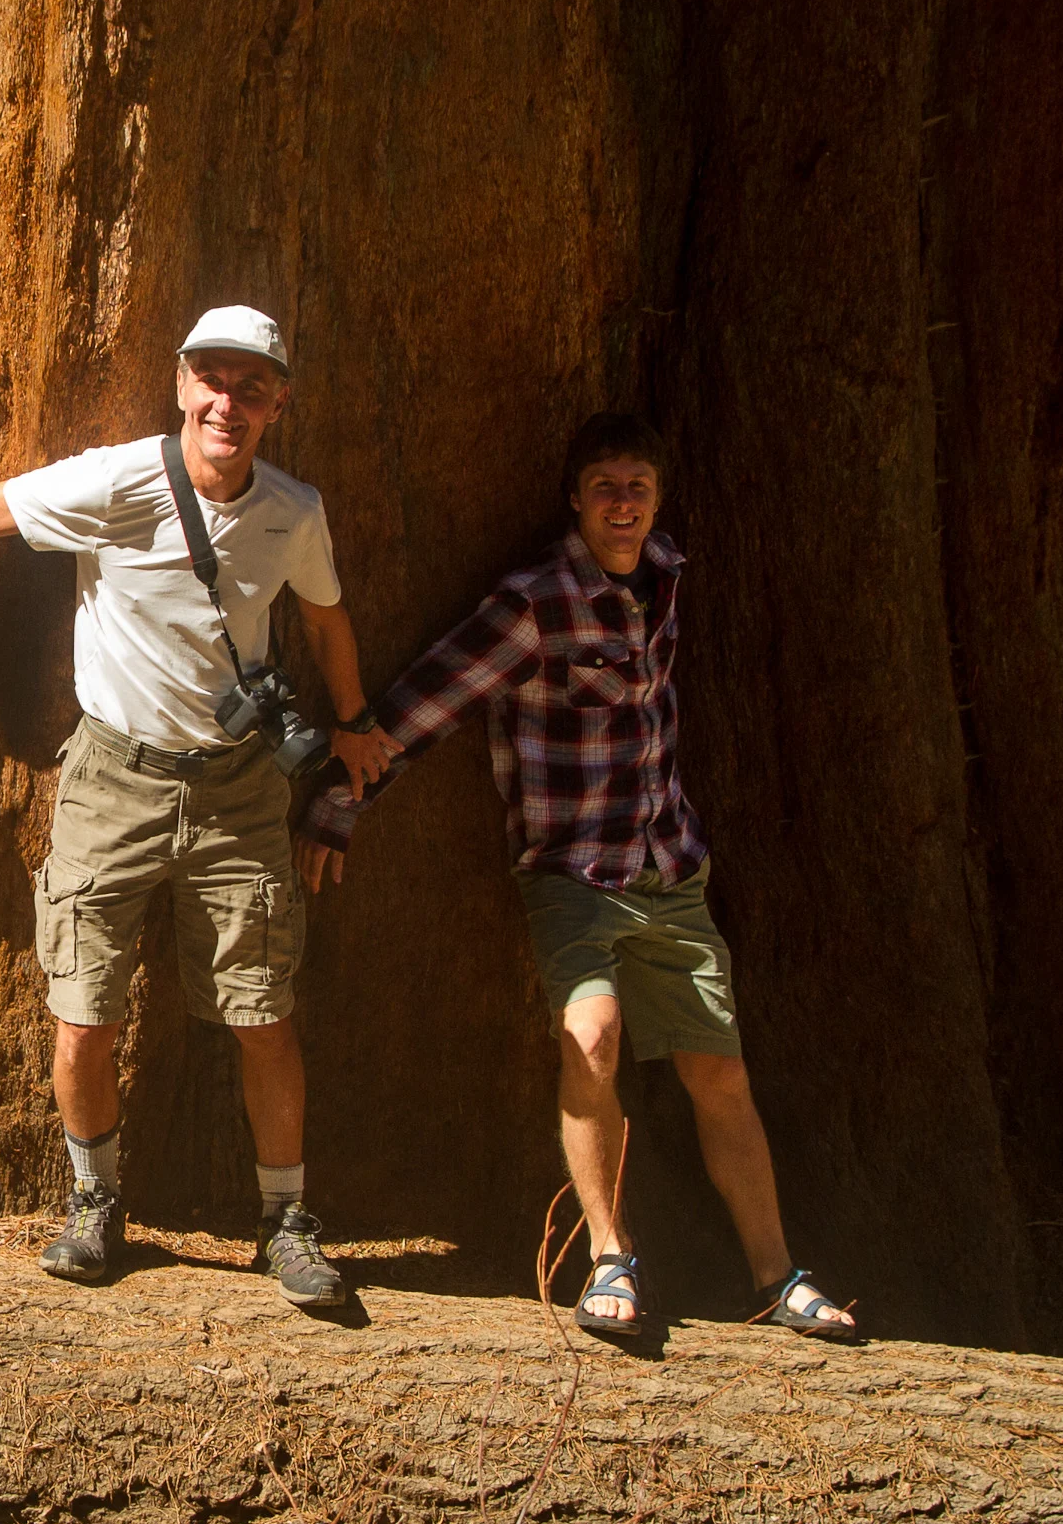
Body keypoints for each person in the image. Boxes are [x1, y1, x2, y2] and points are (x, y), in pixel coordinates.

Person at [0, 307, 394, 1310]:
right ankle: (95, 1201)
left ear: (278, 401)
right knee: (82, 1011)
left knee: (264, 1012)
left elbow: (325, 616)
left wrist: (357, 717)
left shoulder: (293, 510)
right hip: (114, 778)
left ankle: (286, 1221)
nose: (228, 402)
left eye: (252, 385)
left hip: (238, 787)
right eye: (213, 380)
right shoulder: (116, 481)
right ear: (182, 383)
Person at [298, 413, 858, 1341]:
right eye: (604, 486)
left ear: (658, 500)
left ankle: (777, 1275)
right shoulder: (536, 602)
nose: (623, 503)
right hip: (571, 868)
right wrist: (341, 800)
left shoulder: (666, 577)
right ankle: (611, 1256)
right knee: (591, 1037)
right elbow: (433, 696)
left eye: (638, 485)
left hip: (669, 863)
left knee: (719, 1070)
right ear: (575, 499)